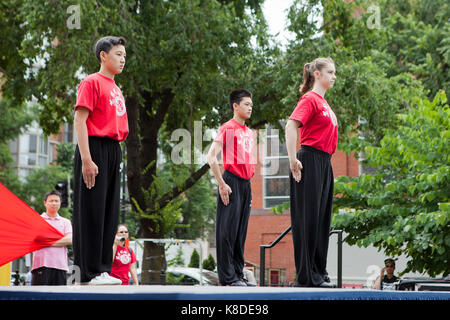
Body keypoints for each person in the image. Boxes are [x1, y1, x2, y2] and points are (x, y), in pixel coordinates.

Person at [72, 36, 129, 285]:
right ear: (103, 56)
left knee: (109, 212)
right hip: (93, 147)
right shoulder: (90, 82)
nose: (122, 59)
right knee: (92, 210)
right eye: (118, 54)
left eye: (124, 55)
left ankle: (103, 269)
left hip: (113, 149)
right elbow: (79, 120)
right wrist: (87, 159)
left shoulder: (116, 88)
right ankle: (89, 271)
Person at [285, 57, 338, 288]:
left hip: (325, 163)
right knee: (308, 219)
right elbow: (290, 125)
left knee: (322, 220)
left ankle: (318, 271)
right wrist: (292, 159)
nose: (334, 76)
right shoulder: (310, 99)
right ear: (317, 74)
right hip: (310, 159)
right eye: (331, 72)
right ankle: (307, 275)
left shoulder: (326, 104)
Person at [207, 89, 255, 286]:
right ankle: (228, 278)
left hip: (246, 184)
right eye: (246, 104)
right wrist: (222, 184)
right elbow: (211, 157)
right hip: (231, 181)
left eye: (251, 105)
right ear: (235, 106)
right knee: (227, 231)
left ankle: (238, 273)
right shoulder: (228, 128)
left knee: (240, 232)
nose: (250, 108)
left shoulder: (249, 132)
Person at [31, 190, 72, 285]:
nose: (54, 203)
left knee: (59, 297)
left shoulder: (65, 222)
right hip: (41, 265)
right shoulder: (37, 220)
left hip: (61, 266)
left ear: (60, 203)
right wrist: (61, 240)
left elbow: (70, 239)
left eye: (56, 201)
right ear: (45, 203)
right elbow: (37, 238)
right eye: (51, 201)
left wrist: (47, 242)